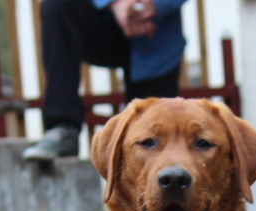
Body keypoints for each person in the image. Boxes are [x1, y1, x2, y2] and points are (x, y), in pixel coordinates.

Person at [23, 0, 188, 162]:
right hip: (101, 17)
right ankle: (63, 129)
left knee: (154, 140)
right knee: (58, 4)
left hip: (157, 34)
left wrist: (155, 4)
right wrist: (114, 3)